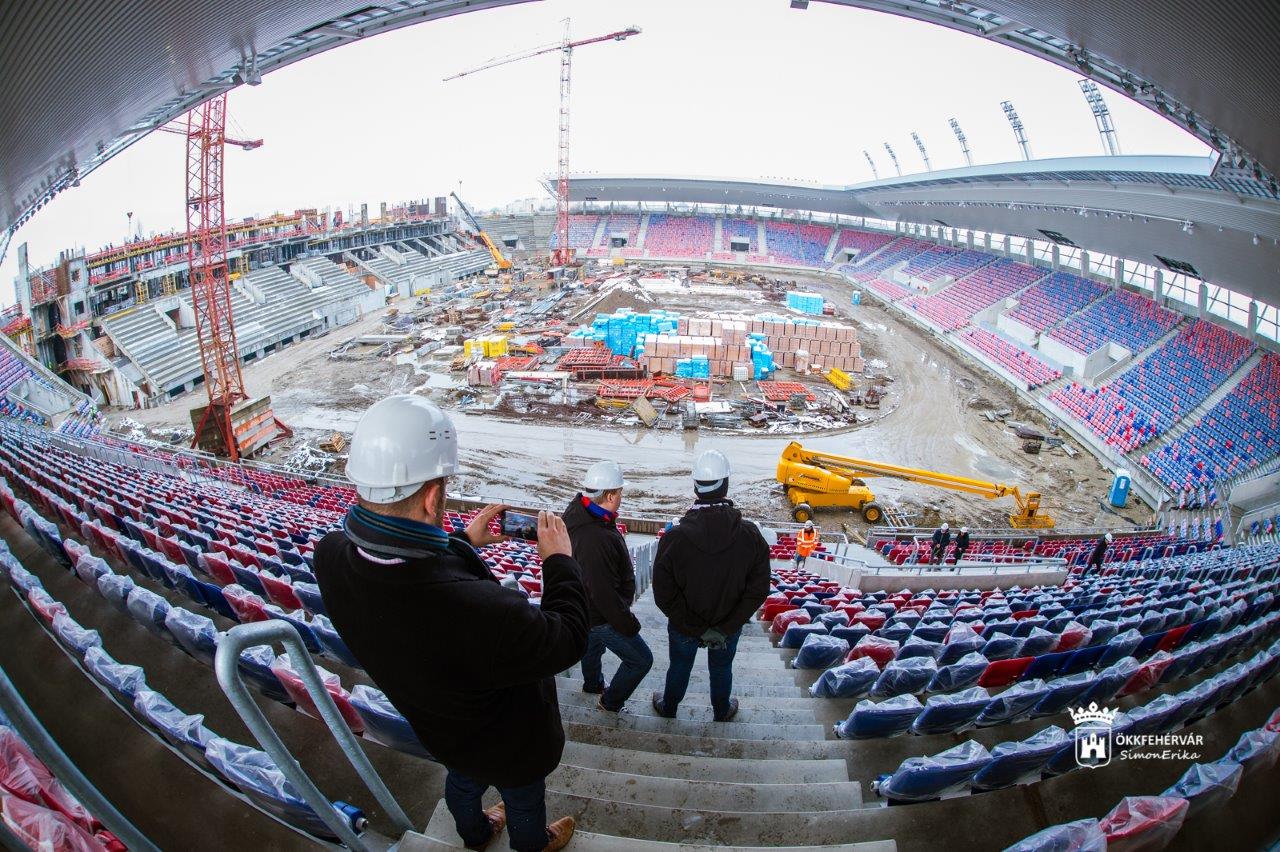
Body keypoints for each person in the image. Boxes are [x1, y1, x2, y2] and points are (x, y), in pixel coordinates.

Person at [314, 395, 586, 852]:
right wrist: (559, 562)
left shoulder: (330, 557)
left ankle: (475, 834)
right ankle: (529, 842)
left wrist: (459, 541)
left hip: (442, 728)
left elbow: (406, 578)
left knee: (463, 784)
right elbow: (568, 637)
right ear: (431, 496)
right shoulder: (481, 610)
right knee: (523, 800)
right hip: (509, 741)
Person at [651, 450, 771, 723]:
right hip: (727, 626)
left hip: (684, 627)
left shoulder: (674, 538)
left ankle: (669, 706)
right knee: (721, 667)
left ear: (695, 486)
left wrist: (694, 627)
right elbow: (758, 589)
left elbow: (663, 595)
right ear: (725, 485)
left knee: (679, 666)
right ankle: (721, 710)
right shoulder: (750, 535)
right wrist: (724, 628)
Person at [565, 461, 652, 713]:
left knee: (591, 648)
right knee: (641, 660)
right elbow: (603, 594)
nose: (622, 497)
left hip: (584, 609)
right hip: (601, 615)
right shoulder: (595, 538)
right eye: (620, 492)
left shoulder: (584, 514)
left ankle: (593, 685)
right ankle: (610, 701)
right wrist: (628, 623)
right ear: (611, 496)